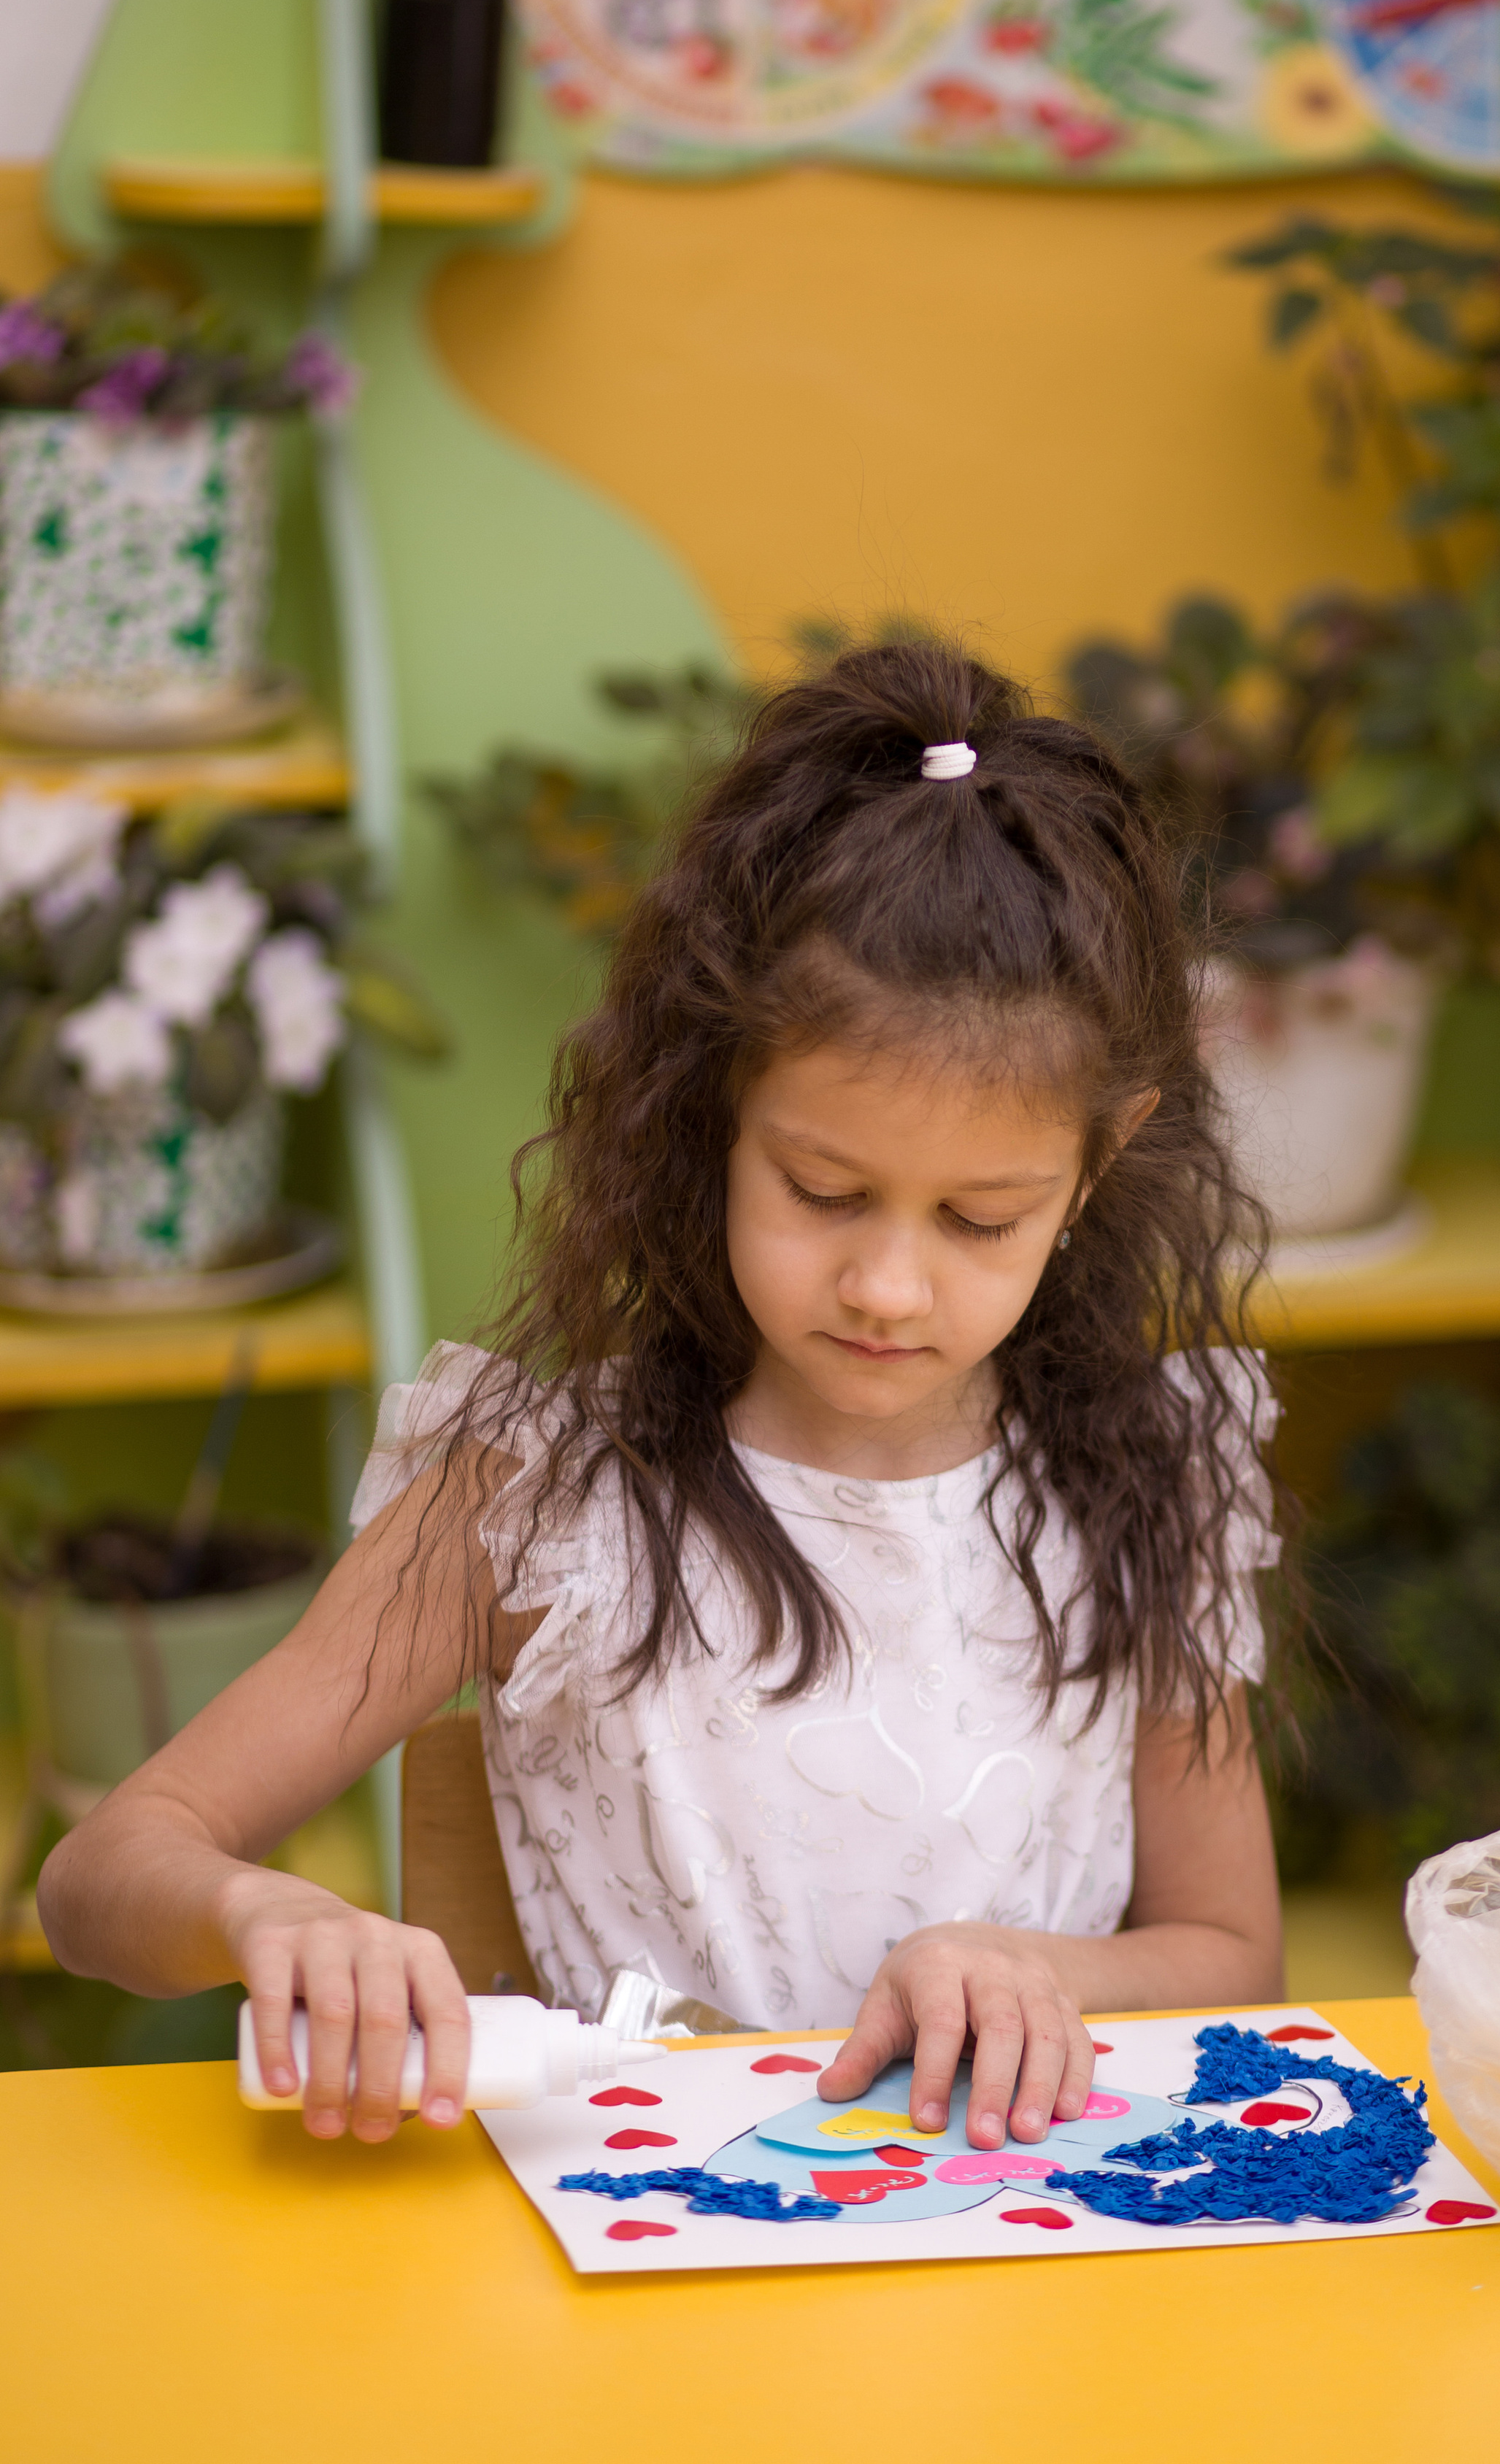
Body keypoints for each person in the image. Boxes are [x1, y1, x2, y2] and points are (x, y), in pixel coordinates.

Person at [39, 642, 1291, 2154]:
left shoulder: (1144, 1480)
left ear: (1096, 1167)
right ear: (713, 1111)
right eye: (824, 1191)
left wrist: (1033, 1970)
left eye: (978, 1221)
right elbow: (102, 1876)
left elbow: (1234, 1963)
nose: (889, 1285)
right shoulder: (541, 1495)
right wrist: (265, 1910)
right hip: (639, 2298)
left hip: (1022, 2285)